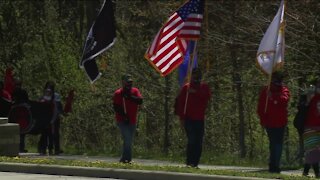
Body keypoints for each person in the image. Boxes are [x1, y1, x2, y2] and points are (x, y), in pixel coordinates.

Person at [175, 68, 211, 168]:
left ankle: (195, 163)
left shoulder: (204, 87)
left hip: (200, 119)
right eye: (195, 74)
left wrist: (195, 92)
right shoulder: (186, 88)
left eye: (198, 74)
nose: (197, 77)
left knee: (199, 142)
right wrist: (181, 118)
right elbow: (180, 104)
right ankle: (189, 162)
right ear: (192, 76)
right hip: (189, 119)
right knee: (192, 140)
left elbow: (206, 96)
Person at [257, 71, 290, 173]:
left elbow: (284, 100)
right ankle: (273, 164)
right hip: (269, 122)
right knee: (273, 144)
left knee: (278, 144)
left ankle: (276, 164)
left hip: (280, 122)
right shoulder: (265, 91)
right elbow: (260, 108)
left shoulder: (284, 90)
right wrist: (262, 120)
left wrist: (273, 98)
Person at [113, 74, 143, 163]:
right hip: (122, 120)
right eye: (127, 82)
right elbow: (116, 107)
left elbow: (140, 101)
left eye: (130, 82)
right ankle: (128, 159)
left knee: (128, 140)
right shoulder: (118, 93)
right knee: (128, 138)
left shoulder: (135, 91)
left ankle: (123, 158)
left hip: (132, 119)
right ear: (123, 82)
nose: (129, 84)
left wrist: (130, 97)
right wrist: (124, 116)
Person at [38, 81, 63, 155]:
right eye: (47, 87)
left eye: (50, 88)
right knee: (44, 134)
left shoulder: (56, 96)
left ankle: (55, 149)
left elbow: (57, 107)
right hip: (45, 118)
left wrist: (54, 119)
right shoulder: (42, 96)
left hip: (54, 118)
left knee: (54, 134)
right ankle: (42, 149)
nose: (48, 90)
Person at [302, 79, 320, 178]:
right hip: (310, 127)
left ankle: (306, 172)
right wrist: (308, 93)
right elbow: (305, 104)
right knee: (313, 150)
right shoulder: (312, 96)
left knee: (314, 151)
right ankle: (317, 173)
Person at [11, 79, 29, 153]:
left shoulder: (23, 92)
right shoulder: (14, 92)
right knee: (17, 132)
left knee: (22, 132)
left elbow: (26, 101)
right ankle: (17, 147)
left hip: (22, 113)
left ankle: (21, 147)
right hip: (16, 114)